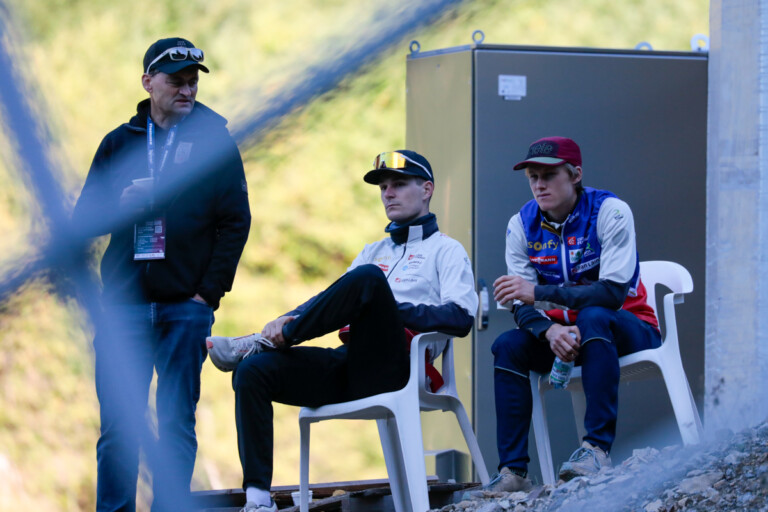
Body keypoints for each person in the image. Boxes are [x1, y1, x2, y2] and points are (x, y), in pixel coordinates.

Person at [207, 150, 478, 512]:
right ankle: (258, 499)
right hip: (351, 364)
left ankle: (269, 340)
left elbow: (461, 318)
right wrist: (286, 318)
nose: (388, 194)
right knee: (253, 371)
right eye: (383, 187)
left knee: (367, 281)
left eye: (398, 185)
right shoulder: (373, 249)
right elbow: (332, 301)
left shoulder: (447, 250)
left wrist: (389, 310)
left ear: (427, 189)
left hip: (401, 368)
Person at [72, 37, 251, 511]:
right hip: (122, 309)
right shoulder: (118, 144)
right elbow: (80, 226)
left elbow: (236, 221)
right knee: (119, 428)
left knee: (175, 424)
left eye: (193, 82)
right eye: (176, 81)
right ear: (148, 82)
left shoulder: (215, 143)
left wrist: (206, 295)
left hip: (184, 308)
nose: (187, 90)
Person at [487, 136, 661, 491]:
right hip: (563, 337)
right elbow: (520, 305)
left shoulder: (611, 211)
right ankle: (513, 473)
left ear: (576, 174)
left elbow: (612, 294)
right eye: (532, 176)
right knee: (507, 345)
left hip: (629, 328)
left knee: (594, 315)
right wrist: (548, 332)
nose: (539, 184)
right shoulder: (521, 224)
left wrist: (537, 292)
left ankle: (596, 449)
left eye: (548, 175)